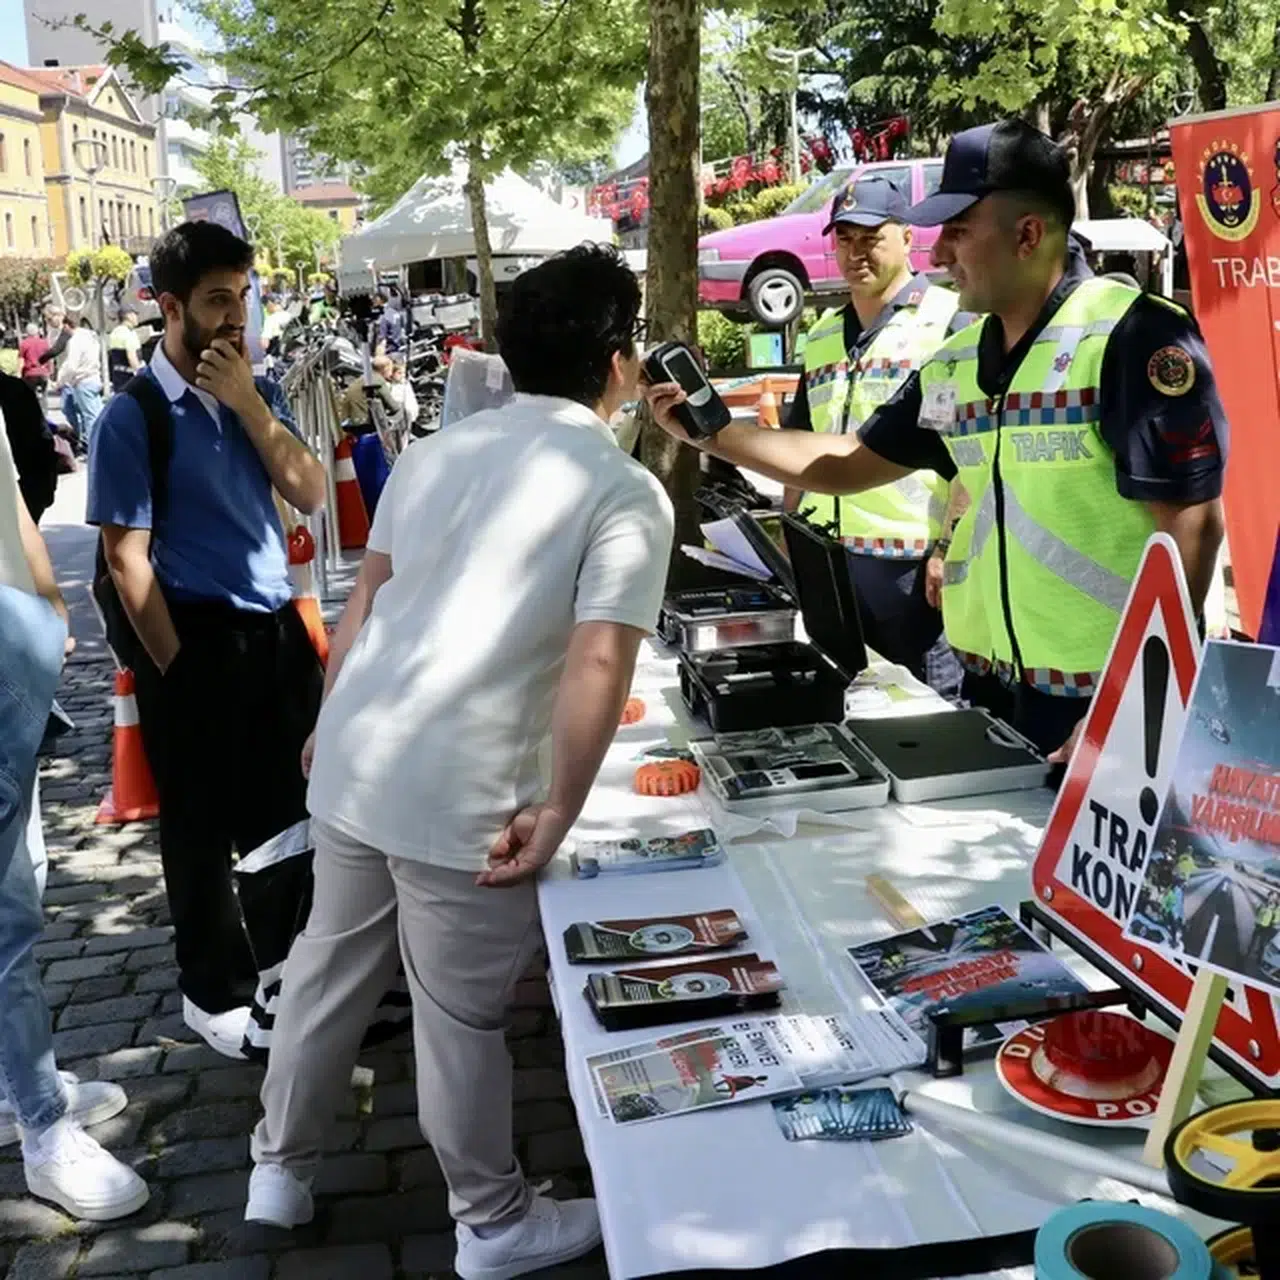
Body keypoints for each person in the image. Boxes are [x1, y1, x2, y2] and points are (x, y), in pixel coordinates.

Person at [244, 244, 674, 1280]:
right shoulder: (622, 489)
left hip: (363, 758)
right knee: (455, 1017)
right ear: (619, 362)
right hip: (465, 787)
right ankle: (489, 1218)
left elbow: (367, 597)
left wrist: (333, 715)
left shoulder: (437, 453)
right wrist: (559, 807)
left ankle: (277, 1168)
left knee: (324, 974)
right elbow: (599, 660)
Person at [644, 120, 1228, 759]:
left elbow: (1192, 530)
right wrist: (716, 434)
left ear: (1028, 234)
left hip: (1108, 708)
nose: (939, 254)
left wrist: (1133, 702)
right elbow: (849, 460)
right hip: (993, 696)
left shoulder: (1132, 336)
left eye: (958, 231)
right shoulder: (957, 360)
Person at [87, 221, 327, 1059]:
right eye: (217, 300)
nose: (235, 316)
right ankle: (213, 992)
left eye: (243, 297)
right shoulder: (133, 416)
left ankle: (291, 976)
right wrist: (174, 666)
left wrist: (251, 406)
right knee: (198, 825)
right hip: (192, 638)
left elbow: (310, 490)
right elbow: (126, 556)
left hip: (274, 634)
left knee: (289, 814)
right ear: (170, 308)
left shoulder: (257, 393)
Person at [0, 408, 149, 1221]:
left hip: (11, 653)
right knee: (7, 921)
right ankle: (40, 1121)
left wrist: (48, 609)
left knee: (24, 887)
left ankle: (19, 1083)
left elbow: (8, 499)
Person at [783, 174, 972, 696]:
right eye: (845, 239)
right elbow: (800, 440)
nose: (856, 252)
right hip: (832, 559)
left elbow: (970, 453)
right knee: (848, 704)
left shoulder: (950, 322)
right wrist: (790, 539)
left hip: (913, 567)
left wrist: (947, 548)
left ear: (908, 238)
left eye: (871, 238)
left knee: (926, 711)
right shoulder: (822, 334)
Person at [55, 316, 104, 454]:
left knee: (90, 417)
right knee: (96, 413)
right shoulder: (91, 337)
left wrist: (61, 381)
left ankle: (93, 448)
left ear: (66, 326)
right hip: (94, 377)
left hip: (82, 380)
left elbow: (72, 365)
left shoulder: (75, 340)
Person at [107, 309, 143, 394]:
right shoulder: (128, 333)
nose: (137, 318)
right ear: (129, 316)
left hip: (117, 376)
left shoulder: (114, 332)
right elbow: (131, 356)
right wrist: (140, 374)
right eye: (135, 315)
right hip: (129, 377)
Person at [18, 323, 53, 400]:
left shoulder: (24, 343)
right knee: (44, 396)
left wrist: (19, 374)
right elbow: (50, 358)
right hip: (43, 372)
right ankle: (44, 406)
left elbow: (21, 361)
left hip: (30, 374)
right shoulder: (45, 343)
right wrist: (51, 371)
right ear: (37, 332)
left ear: (27, 332)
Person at [375, 290, 406, 355]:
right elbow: (402, 328)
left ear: (379, 301)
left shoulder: (384, 317)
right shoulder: (396, 313)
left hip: (390, 349)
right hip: (400, 345)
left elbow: (383, 337)